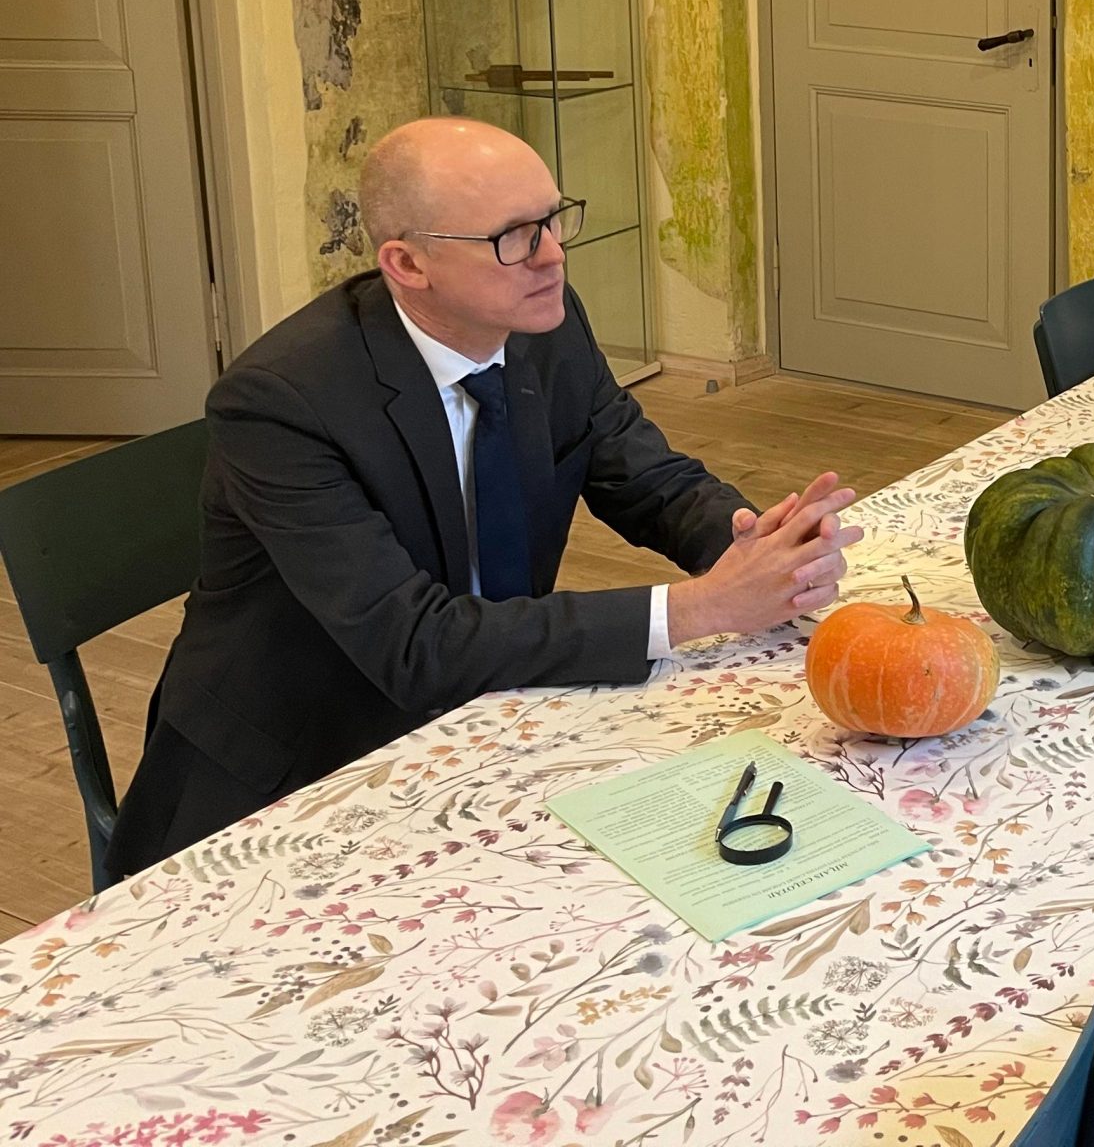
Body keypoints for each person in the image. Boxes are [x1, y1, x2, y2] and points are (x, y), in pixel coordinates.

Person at [108, 117, 861, 875]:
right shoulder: (281, 402)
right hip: (300, 777)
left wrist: (754, 544)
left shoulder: (540, 323)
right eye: (515, 237)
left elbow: (647, 477)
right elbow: (413, 645)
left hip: (489, 714)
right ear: (408, 263)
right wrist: (701, 608)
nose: (553, 255)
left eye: (554, 220)